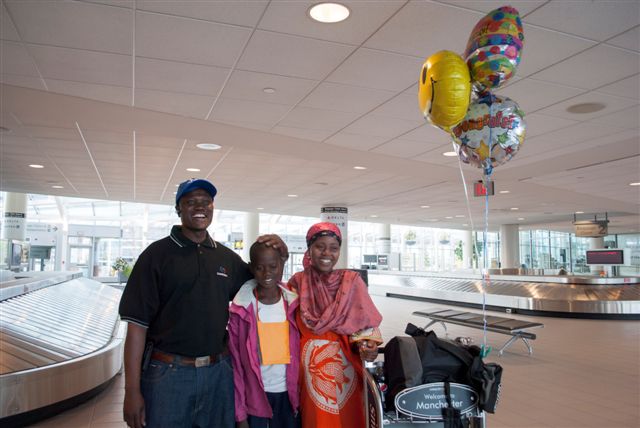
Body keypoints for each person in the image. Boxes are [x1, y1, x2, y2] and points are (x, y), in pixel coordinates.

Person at [119, 178, 288, 428]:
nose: (200, 207)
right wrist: (132, 391)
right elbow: (136, 326)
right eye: (191, 202)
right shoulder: (156, 256)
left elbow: (266, 280)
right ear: (178, 208)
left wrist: (281, 253)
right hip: (168, 376)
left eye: (206, 202)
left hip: (218, 374)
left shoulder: (225, 257)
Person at [288, 222, 383, 428]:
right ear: (309, 249)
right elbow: (287, 327)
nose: (327, 253)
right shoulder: (297, 283)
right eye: (320, 246)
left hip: (347, 367)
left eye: (334, 248)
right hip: (309, 371)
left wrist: (369, 347)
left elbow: (366, 327)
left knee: (349, 420)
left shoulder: (351, 282)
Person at [228, 241, 300, 428]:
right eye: (260, 268)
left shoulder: (295, 306)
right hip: (255, 399)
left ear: (282, 264)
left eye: (273, 266)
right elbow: (236, 366)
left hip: (290, 397)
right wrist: (240, 415)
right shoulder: (241, 311)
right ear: (251, 268)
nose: (267, 273)